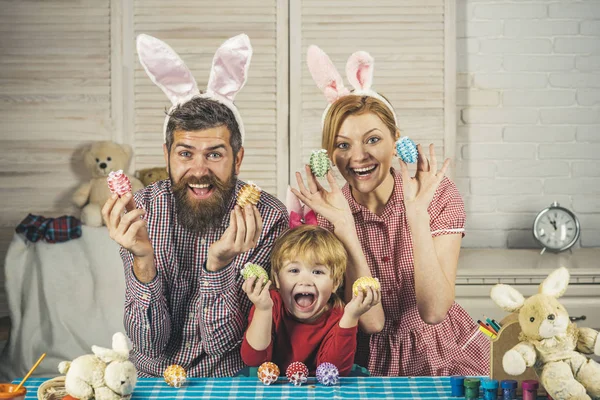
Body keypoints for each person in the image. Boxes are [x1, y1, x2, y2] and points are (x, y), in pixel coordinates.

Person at [291, 45, 490, 376]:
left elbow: (435, 310)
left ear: (395, 139)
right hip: (373, 362)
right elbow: (372, 321)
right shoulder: (328, 215)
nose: (358, 157)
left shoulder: (438, 195)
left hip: (447, 350)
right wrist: (344, 226)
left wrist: (416, 215)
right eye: (343, 145)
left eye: (372, 140)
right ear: (329, 154)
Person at [101, 34, 288, 377]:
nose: (199, 171)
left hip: (225, 378)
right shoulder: (142, 210)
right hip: (151, 377)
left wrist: (217, 264)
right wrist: (143, 260)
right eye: (185, 153)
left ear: (238, 158)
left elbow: (225, 345)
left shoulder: (268, 217)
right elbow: (148, 344)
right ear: (167, 156)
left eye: (214, 154)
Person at [240, 224, 381, 376]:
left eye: (317, 271)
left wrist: (351, 316)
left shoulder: (339, 316)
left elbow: (335, 370)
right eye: (294, 270)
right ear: (277, 279)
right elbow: (253, 359)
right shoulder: (268, 304)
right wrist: (263, 310)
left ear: (335, 283)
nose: (305, 281)